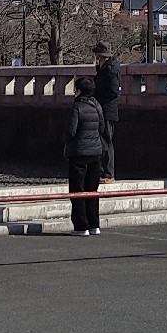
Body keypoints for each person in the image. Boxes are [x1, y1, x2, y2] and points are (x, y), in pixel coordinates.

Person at [63, 75, 107, 236]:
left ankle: (81, 226)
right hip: (96, 151)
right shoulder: (97, 105)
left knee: (77, 190)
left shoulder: (77, 107)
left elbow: (71, 131)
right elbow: (102, 127)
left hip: (79, 153)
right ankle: (94, 224)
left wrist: (66, 141)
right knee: (92, 190)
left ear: (79, 90)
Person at [93, 40, 121, 182]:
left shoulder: (111, 70)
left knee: (106, 140)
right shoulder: (104, 68)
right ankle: (103, 171)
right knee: (103, 140)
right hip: (103, 108)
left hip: (107, 109)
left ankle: (108, 173)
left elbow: (113, 91)